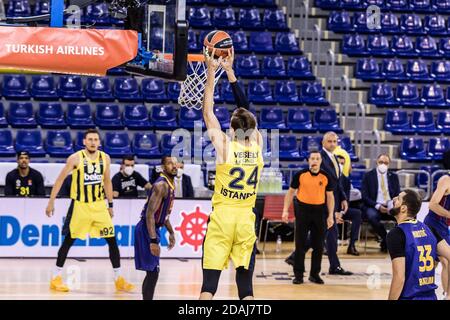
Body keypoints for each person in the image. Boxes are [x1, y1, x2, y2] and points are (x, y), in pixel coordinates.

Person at [199, 48, 263, 300]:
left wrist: (213, 72)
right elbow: (245, 111)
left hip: (223, 218)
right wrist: (231, 72)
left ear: (232, 129)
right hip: (246, 220)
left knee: (209, 285)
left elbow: (207, 112)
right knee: (246, 288)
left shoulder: (225, 148)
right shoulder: (257, 144)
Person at [45, 128, 134, 293]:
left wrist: (110, 204)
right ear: (84, 141)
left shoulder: (105, 158)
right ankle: (55, 278)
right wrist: (51, 202)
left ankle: (118, 279)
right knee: (69, 241)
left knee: (112, 240)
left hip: (100, 205)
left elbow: (107, 182)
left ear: (99, 142)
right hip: (81, 206)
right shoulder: (75, 158)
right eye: (90, 139)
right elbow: (59, 180)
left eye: (95, 139)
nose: (93, 142)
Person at [282, 151, 335, 284]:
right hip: (302, 211)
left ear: (321, 161)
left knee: (318, 246)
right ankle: (298, 275)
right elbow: (290, 193)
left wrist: (330, 216)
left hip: (320, 212)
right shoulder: (300, 174)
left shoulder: (325, 176)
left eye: (317, 158)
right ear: (308, 160)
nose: (315, 161)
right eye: (312, 158)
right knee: (300, 244)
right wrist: (285, 211)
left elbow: (330, 197)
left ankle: (314, 274)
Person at [387, 189, 450, 300]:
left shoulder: (396, 234)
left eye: (398, 198)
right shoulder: (429, 229)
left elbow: (399, 278)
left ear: (403, 208)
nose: (394, 199)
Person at [134, 155, 177, 300]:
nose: (174, 166)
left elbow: (163, 215)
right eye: (170, 163)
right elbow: (150, 214)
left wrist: (171, 232)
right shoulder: (161, 185)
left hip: (153, 228)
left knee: (153, 272)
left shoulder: (171, 185)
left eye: (176, 163)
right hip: (146, 229)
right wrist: (153, 240)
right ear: (163, 167)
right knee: (153, 272)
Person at [320, 132, 353, 275]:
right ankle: (334, 266)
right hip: (323, 201)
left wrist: (344, 198)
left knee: (326, 233)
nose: (332, 144)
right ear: (323, 143)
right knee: (328, 233)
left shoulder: (334, 157)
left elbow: (337, 182)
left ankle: (334, 266)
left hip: (333, 201)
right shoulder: (320, 158)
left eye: (335, 141)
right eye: (329, 141)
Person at [361, 153, 400, 252]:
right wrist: (378, 206)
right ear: (376, 162)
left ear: (389, 164)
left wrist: (391, 205)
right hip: (374, 205)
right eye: (381, 162)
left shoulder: (394, 176)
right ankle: (386, 239)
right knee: (371, 216)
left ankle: (397, 241)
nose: (383, 164)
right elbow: (364, 196)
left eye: (386, 163)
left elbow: (397, 194)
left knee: (403, 216)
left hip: (390, 206)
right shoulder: (368, 176)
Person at [423, 174, 450, 296]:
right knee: (445, 260)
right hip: (433, 226)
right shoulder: (446, 180)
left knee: (437, 263)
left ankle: (446, 294)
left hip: (444, 228)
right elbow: (432, 204)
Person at [336, 155, 362, 256]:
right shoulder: (327, 177)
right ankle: (325, 245)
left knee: (357, 213)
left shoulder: (345, 180)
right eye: (338, 163)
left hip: (341, 210)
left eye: (342, 164)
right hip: (328, 210)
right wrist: (334, 212)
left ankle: (352, 245)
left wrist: (341, 213)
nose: (340, 165)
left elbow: (345, 199)